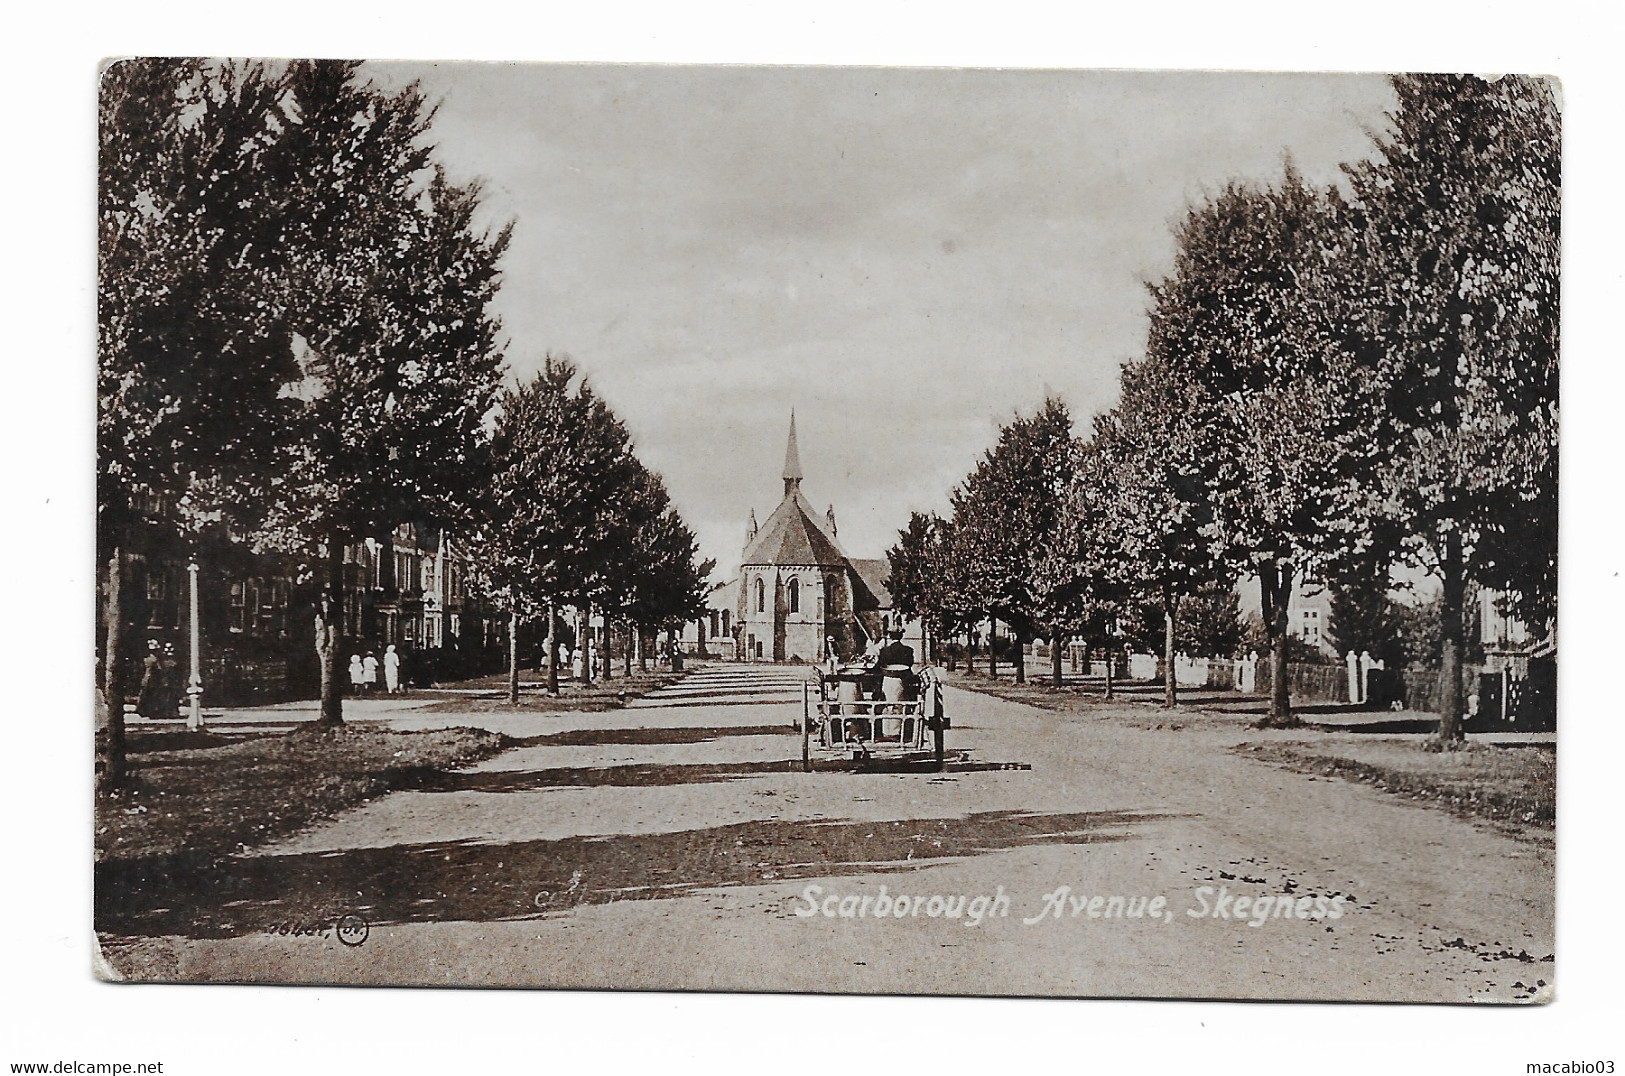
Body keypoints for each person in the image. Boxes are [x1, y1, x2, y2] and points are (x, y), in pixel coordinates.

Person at [877, 629, 916, 705]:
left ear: (890, 636)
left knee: (888, 702)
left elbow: (880, 665)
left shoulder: (884, 651)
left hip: (888, 679)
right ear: (901, 636)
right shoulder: (908, 650)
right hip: (904, 680)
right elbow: (910, 663)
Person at [136, 639, 163, 720]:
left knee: (144, 694)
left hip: (146, 678)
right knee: (152, 695)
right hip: (152, 679)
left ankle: (142, 710)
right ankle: (150, 711)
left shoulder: (146, 659)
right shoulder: (154, 659)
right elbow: (159, 669)